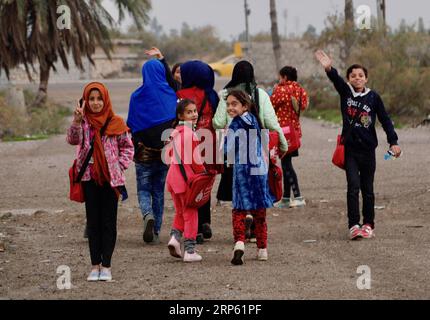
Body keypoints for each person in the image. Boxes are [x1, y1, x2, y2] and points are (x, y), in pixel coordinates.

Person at [315, 50, 402, 240]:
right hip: (350, 150)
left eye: (360, 75)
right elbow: (335, 80)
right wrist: (329, 68)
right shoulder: (346, 92)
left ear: (366, 78)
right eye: (353, 75)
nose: (357, 78)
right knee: (353, 187)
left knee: (368, 190)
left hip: (368, 150)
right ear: (348, 79)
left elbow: (385, 120)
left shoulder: (373, 97)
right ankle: (354, 225)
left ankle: (369, 224)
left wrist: (393, 142)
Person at [213, 60, 288, 242]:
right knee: (257, 185)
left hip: (235, 149)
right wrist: (283, 145)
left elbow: (217, 122)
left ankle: (243, 218)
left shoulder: (226, 94)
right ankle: (254, 226)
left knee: (239, 186)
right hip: (258, 147)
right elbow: (272, 123)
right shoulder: (260, 94)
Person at [67, 82, 134, 281]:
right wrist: (76, 122)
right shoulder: (84, 122)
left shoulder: (117, 122)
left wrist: (117, 166)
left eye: (99, 98)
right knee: (93, 223)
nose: (96, 103)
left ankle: (106, 266)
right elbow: (72, 140)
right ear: (85, 100)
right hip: (89, 178)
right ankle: (94, 265)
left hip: (110, 179)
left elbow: (128, 148)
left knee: (108, 223)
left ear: (106, 100)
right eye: (91, 99)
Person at [127, 59, 177, 244]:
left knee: (143, 189)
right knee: (158, 191)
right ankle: (155, 231)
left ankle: (148, 215)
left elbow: (131, 124)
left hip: (143, 153)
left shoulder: (136, 96)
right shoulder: (170, 94)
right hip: (164, 152)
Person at [224, 90, 273, 265]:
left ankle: (239, 244)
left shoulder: (235, 125)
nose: (230, 107)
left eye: (234, 104)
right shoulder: (254, 120)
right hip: (260, 170)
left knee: (239, 210)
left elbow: (226, 150)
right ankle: (262, 249)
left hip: (242, 172)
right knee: (260, 212)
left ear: (244, 105)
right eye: (228, 104)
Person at [176, 60, 221, 244]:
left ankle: (193, 229)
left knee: (189, 185)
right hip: (208, 144)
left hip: (187, 146)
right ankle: (205, 222)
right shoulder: (211, 96)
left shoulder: (180, 94)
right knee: (205, 184)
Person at [166, 99, 206, 262]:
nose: (194, 114)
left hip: (172, 179)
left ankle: (175, 239)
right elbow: (195, 161)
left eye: (195, 111)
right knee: (191, 214)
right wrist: (204, 173)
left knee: (180, 212)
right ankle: (190, 251)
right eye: (189, 112)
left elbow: (169, 156)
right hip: (185, 181)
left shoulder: (176, 132)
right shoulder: (191, 134)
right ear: (181, 115)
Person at [270, 66, 309, 208]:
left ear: (285, 77)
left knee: (286, 164)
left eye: (280, 77)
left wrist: (274, 90)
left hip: (283, 133)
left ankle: (298, 196)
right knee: (287, 162)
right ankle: (286, 198)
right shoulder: (300, 90)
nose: (279, 80)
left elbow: (270, 105)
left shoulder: (280, 90)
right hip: (295, 132)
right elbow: (303, 106)